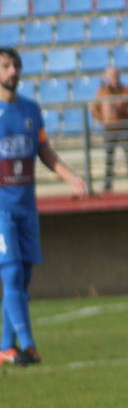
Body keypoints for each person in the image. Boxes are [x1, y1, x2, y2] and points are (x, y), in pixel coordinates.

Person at [0, 47, 87, 365]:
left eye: (16, 65)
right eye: (6, 66)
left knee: (22, 277)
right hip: (1, 210)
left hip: (26, 207)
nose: (13, 71)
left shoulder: (30, 110)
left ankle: (6, 346)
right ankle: (28, 345)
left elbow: (45, 152)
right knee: (10, 274)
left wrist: (72, 178)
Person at [92, 63, 128, 192]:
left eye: (115, 75)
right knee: (109, 157)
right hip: (109, 129)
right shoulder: (102, 92)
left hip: (124, 127)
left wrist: (124, 109)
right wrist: (104, 119)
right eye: (111, 76)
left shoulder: (127, 91)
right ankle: (108, 185)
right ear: (108, 77)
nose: (114, 78)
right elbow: (94, 109)